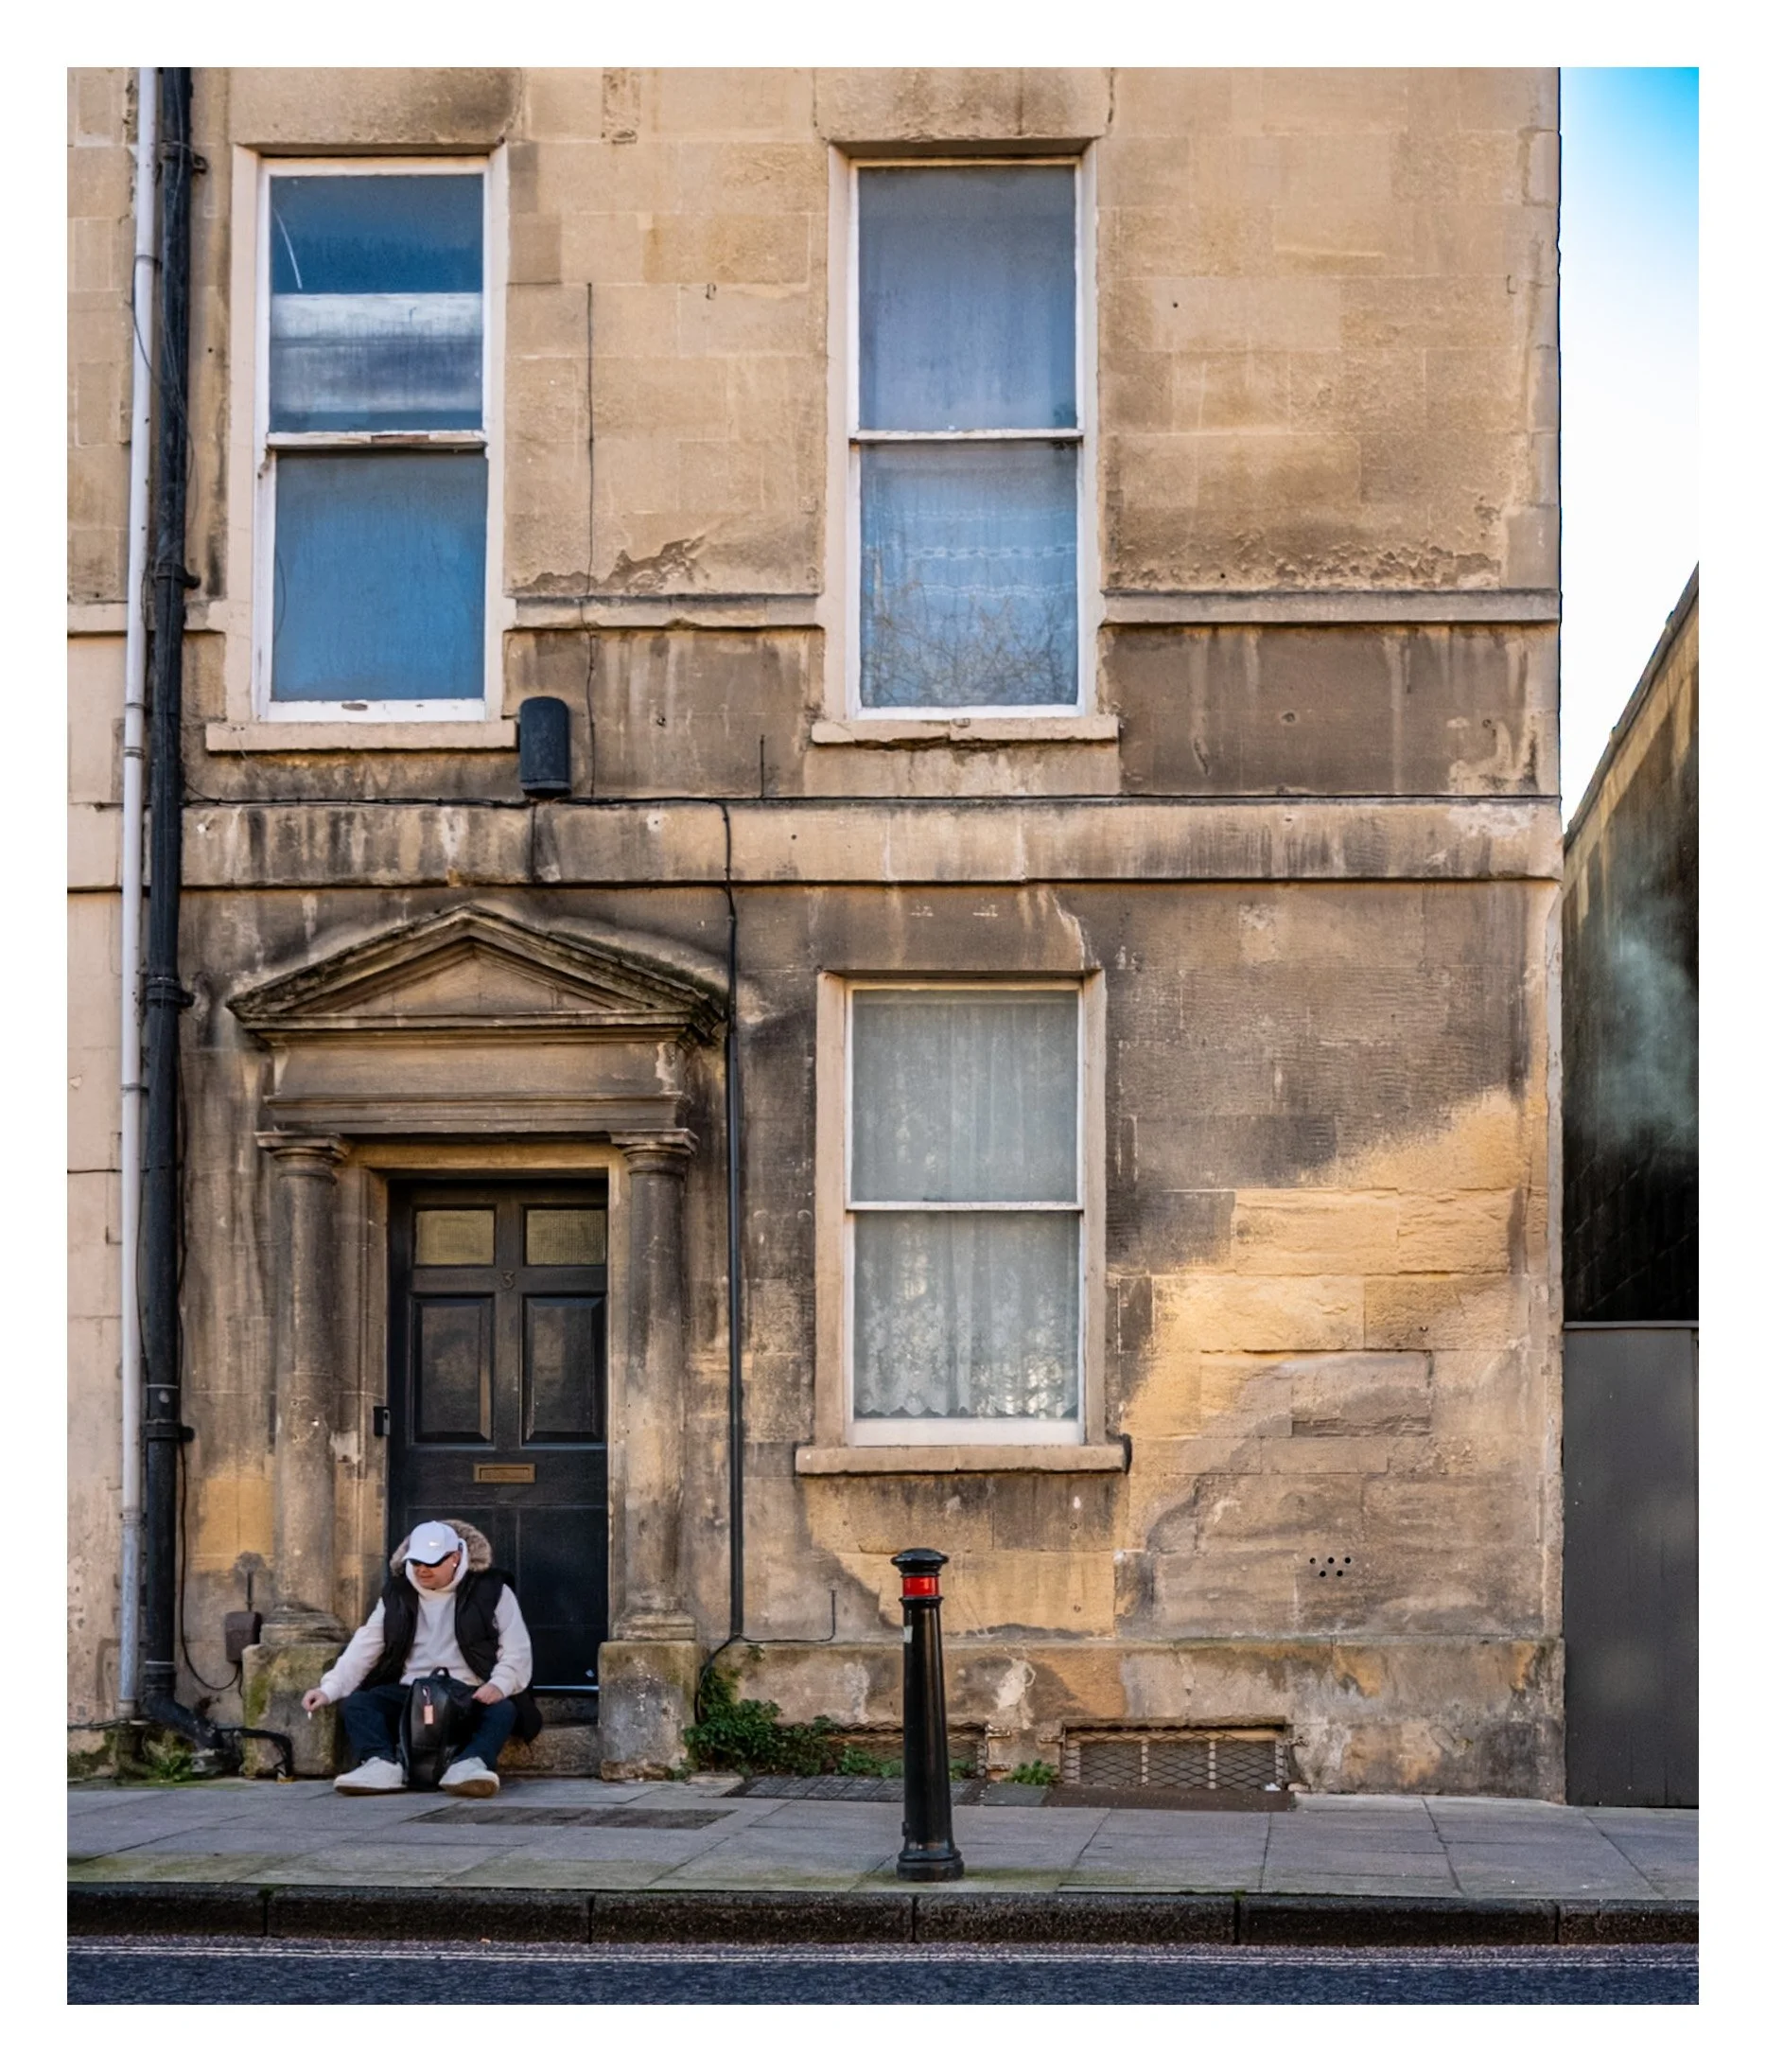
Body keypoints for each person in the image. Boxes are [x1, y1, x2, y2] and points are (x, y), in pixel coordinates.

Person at [303, 1519, 541, 1797]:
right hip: (412, 1692)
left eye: (432, 1562)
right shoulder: (397, 1593)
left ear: (455, 1558)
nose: (422, 1570)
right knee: (359, 1704)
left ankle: (470, 1765)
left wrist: (499, 1684)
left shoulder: (492, 1590)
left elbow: (517, 1649)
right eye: (416, 1562)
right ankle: (381, 1764)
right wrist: (329, 1689)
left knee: (504, 1710)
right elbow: (365, 1646)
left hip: (469, 1691)